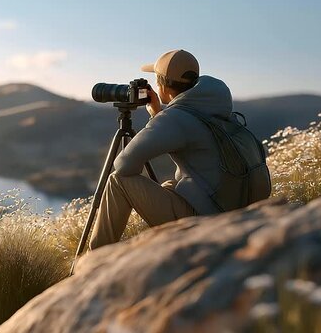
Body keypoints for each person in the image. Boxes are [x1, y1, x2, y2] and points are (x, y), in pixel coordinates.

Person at [89, 49, 238, 250]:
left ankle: (93, 262)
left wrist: (160, 118)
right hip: (233, 209)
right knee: (170, 184)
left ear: (162, 86)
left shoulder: (175, 118)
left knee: (118, 180)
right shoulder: (215, 109)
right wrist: (159, 113)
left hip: (206, 221)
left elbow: (124, 165)